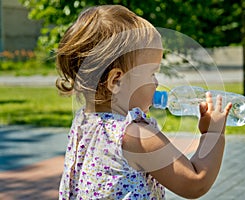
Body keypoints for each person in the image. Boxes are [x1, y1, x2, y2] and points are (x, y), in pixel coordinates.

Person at [56, 5, 232, 200]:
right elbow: (195, 182)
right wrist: (213, 133)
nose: (156, 83)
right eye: (152, 73)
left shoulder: (84, 122)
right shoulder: (136, 134)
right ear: (116, 81)